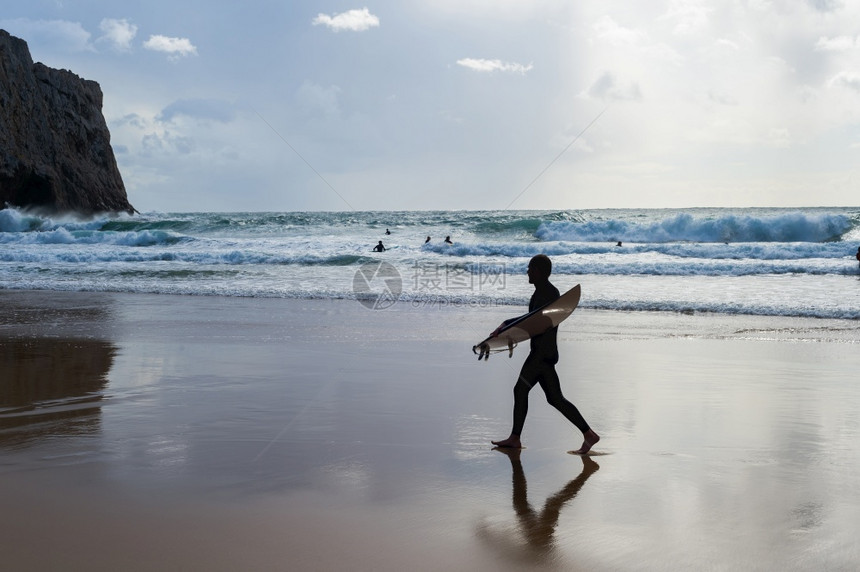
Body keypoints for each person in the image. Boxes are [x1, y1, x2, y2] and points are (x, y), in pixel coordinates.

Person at [491, 254, 600, 455]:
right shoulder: (542, 292)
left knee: (520, 390)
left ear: (538, 272)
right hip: (545, 354)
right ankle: (589, 434)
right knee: (555, 399)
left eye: (530, 269)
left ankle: (515, 438)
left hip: (541, 355)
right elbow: (531, 320)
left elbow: (537, 321)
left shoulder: (548, 293)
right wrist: (507, 327)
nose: (527, 272)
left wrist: (507, 324)